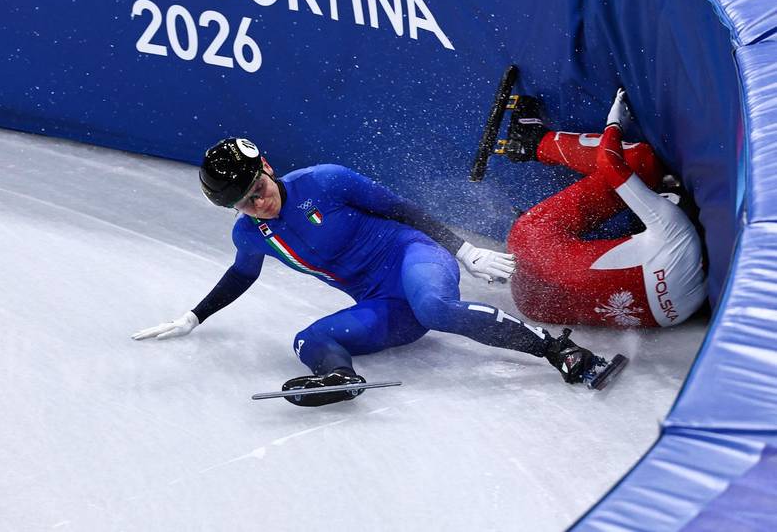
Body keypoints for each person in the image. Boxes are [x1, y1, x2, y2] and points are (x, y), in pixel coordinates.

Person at [132, 137, 614, 406]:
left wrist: (463, 250)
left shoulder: (325, 179)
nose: (259, 204)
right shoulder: (250, 235)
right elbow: (241, 275)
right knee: (308, 341)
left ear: (268, 167)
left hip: (413, 256)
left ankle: (560, 350)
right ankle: (340, 380)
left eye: (257, 188)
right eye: (244, 204)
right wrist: (195, 316)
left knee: (434, 306)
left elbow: (403, 209)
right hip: (382, 304)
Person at [497, 88, 707, 328]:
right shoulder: (689, 308)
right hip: (538, 307)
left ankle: (532, 141)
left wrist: (616, 122)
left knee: (642, 162)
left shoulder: (674, 227)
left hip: (532, 250)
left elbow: (609, 162)